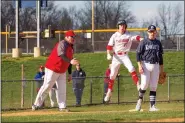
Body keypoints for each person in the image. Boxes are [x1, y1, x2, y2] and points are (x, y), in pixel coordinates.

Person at [32, 30, 79, 112]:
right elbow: (61, 55)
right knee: (47, 86)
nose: (73, 38)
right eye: (72, 36)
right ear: (67, 37)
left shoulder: (71, 47)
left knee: (62, 89)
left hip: (62, 71)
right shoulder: (62, 43)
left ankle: (62, 107)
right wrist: (70, 61)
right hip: (52, 68)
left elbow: (70, 60)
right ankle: (36, 104)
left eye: (74, 37)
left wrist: (70, 73)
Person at [104, 20, 143, 102]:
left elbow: (135, 37)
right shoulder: (114, 35)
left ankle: (138, 86)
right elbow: (109, 46)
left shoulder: (128, 34)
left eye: (123, 25)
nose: (122, 27)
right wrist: (108, 54)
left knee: (131, 68)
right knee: (112, 75)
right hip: (116, 56)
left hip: (124, 55)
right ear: (118, 26)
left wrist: (140, 38)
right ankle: (109, 92)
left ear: (125, 27)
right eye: (120, 25)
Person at [131, 25, 164, 112]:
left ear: (156, 32)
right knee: (144, 85)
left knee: (153, 86)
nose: (152, 33)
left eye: (153, 31)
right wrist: (139, 65)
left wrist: (162, 70)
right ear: (147, 32)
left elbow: (160, 57)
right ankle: (139, 102)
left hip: (156, 65)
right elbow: (138, 54)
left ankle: (152, 106)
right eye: (150, 31)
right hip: (146, 65)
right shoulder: (143, 42)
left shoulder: (158, 43)